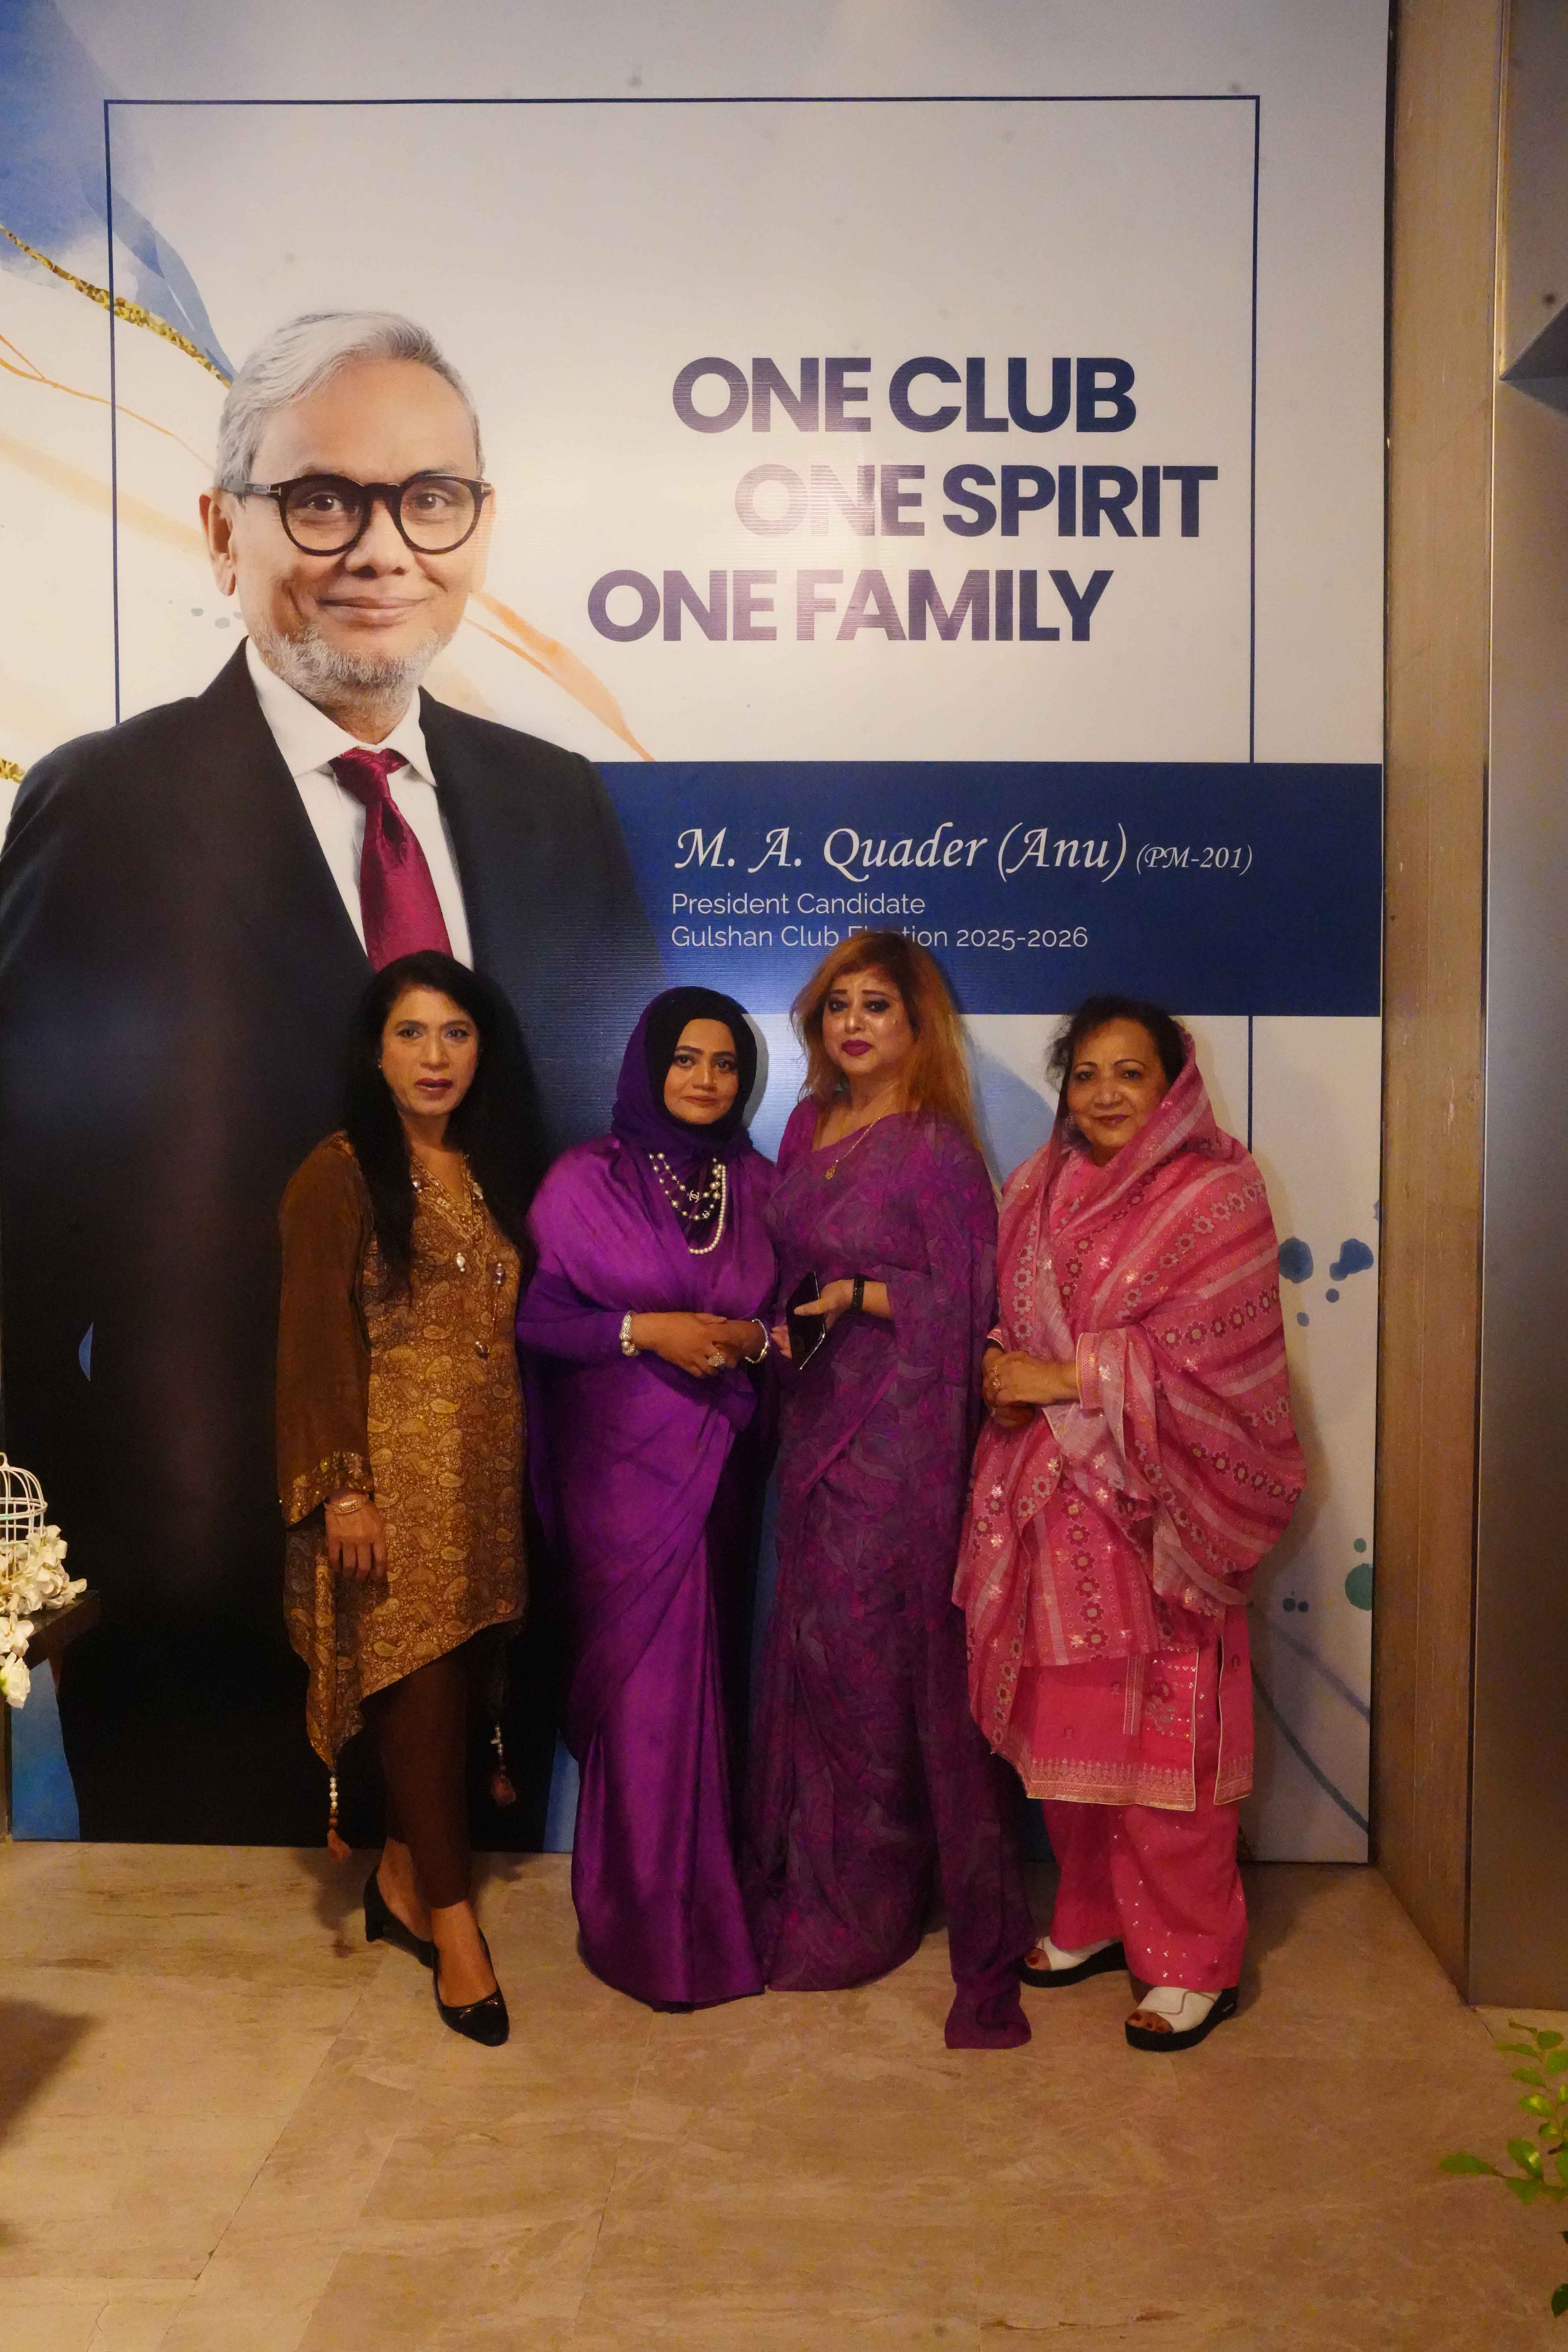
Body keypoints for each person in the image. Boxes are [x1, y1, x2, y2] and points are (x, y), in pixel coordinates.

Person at [0, 309, 661, 1842]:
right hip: (203, 1618)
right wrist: (79, 1559)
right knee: (226, 1988)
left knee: (464, 1966)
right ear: (221, 527)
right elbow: (14, 1236)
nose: (382, 549)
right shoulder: (105, 809)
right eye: (321, 500)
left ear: (477, 525)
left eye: (429, 498)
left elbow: (607, 1179)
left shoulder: (558, 806)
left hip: (493, 1578)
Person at [956, 996, 1305, 2052]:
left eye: (1130, 1073)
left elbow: (1215, 1369)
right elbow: (1015, 1327)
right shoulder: (1035, 1187)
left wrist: (1062, 1376)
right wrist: (1004, 1375)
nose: (1105, 1094)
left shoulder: (1217, 1193)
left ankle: (1193, 1959)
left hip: (1161, 1519)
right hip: (1048, 1509)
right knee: (1069, 1736)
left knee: (1164, 1751)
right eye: (1087, 1073)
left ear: (1174, 1084)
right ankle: (1095, 1915)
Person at [744, 933, 1034, 2050]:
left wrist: (861, 1295)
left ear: (919, 1026)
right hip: (812, 1425)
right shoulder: (807, 1128)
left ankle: (872, 1903)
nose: (855, 1024)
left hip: (901, 1447)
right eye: (838, 1006)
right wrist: (784, 1321)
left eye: (877, 1006)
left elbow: (967, 1307)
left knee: (874, 1671)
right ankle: (820, 1879)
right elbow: (785, 1267)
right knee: (816, 1661)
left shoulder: (935, 1149)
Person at [278, 951, 531, 2045]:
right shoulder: (336, 1174)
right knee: (417, 1694)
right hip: (386, 1485)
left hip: (483, 1480)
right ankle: (453, 1925)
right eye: (412, 1034)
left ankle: (397, 1875)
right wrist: (344, 1495)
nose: (436, 1057)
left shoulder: (489, 1168)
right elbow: (312, 1346)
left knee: (459, 1691)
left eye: (456, 1034)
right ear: (375, 1053)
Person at [517, 988, 775, 2010]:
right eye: (686, 1059)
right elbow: (539, 1321)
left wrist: (751, 1339)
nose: (706, 1079)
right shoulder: (588, 1179)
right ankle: (639, 1923)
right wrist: (643, 1331)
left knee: (708, 1686)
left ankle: (705, 1915)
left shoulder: (760, 1184)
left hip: (719, 1475)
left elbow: (789, 1324)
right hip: (618, 1478)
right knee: (644, 1698)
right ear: (649, 1065)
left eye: (725, 1063)